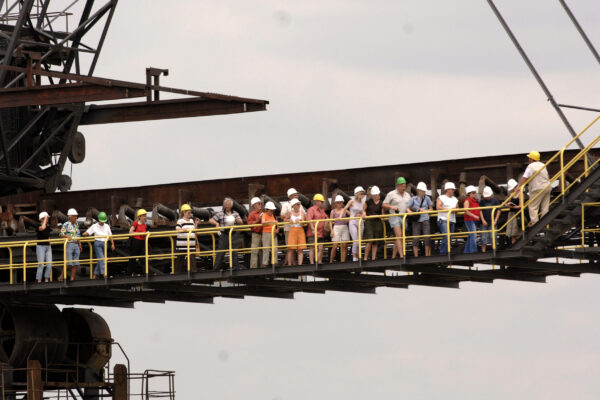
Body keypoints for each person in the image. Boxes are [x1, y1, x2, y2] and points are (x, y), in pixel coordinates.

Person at [518, 151, 551, 226]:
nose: (528, 159)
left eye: (529, 158)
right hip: (547, 187)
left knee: (533, 207)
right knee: (545, 207)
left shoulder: (531, 166)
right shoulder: (543, 165)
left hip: (537, 188)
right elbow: (548, 176)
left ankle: (535, 224)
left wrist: (519, 186)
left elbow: (525, 177)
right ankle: (545, 222)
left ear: (532, 159)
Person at [210, 198, 243, 270]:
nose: (227, 206)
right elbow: (211, 220)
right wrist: (216, 223)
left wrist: (235, 219)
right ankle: (216, 269)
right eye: (226, 204)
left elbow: (241, 222)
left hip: (233, 234)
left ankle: (235, 268)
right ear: (224, 205)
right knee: (221, 251)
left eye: (229, 204)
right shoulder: (220, 213)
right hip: (224, 234)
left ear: (231, 205)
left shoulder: (235, 213)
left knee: (234, 251)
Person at [383, 177, 411, 259]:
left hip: (403, 216)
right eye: (402, 185)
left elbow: (408, 206)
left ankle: (393, 256)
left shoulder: (407, 195)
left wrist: (409, 210)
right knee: (399, 235)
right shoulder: (391, 194)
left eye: (405, 185)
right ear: (398, 186)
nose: (404, 187)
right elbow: (384, 204)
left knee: (399, 237)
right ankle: (402, 255)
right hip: (394, 216)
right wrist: (391, 206)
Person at [83, 211, 115, 279]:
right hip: (98, 244)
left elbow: (110, 236)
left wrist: (112, 244)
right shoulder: (94, 226)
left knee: (101, 259)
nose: (102, 222)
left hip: (105, 243)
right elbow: (88, 232)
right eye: (101, 221)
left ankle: (95, 274)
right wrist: (84, 234)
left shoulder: (107, 226)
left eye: (103, 221)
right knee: (102, 259)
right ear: (98, 220)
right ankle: (104, 274)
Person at [407, 182, 433, 257]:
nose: (424, 192)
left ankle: (427, 255)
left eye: (424, 191)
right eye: (423, 191)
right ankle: (416, 255)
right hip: (416, 220)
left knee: (427, 237)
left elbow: (431, 209)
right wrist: (410, 212)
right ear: (418, 190)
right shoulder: (413, 199)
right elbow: (407, 208)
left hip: (425, 218)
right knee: (415, 238)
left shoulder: (427, 198)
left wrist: (424, 211)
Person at [280, 188, 303, 266]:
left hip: (298, 229)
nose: (297, 196)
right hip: (288, 229)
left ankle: (291, 263)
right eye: (295, 195)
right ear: (290, 196)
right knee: (290, 248)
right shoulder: (286, 205)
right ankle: (292, 263)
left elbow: (303, 214)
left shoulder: (299, 204)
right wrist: (290, 217)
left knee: (295, 248)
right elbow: (282, 216)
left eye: (297, 195)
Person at [175, 204, 200, 273]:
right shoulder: (180, 221)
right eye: (188, 212)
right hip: (182, 246)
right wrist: (184, 229)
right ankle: (176, 274)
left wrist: (196, 224)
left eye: (190, 212)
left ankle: (193, 273)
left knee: (192, 260)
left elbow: (194, 231)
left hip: (191, 245)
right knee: (179, 260)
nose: (190, 214)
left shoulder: (191, 221)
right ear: (184, 212)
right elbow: (177, 229)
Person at [344, 187, 366, 261]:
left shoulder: (363, 203)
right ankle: (355, 258)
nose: (362, 195)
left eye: (363, 193)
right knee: (356, 240)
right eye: (361, 193)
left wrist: (363, 215)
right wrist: (351, 215)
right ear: (357, 194)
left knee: (360, 241)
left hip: (360, 222)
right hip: (353, 222)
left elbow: (363, 212)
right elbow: (345, 209)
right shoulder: (351, 201)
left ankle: (359, 257)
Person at [59, 208, 81, 281]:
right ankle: (62, 276)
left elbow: (78, 234)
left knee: (76, 263)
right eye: (74, 216)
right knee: (69, 262)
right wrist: (67, 236)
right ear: (70, 217)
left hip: (76, 244)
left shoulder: (76, 224)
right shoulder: (66, 224)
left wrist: (79, 244)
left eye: (76, 216)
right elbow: (61, 234)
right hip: (69, 244)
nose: (76, 217)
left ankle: (72, 279)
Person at [436, 182, 458, 255]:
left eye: (453, 190)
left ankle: (447, 251)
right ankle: (443, 252)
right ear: (447, 189)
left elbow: (457, 209)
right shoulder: (441, 198)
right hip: (443, 219)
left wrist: (455, 210)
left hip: (452, 220)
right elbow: (438, 207)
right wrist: (449, 209)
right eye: (452, 189)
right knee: (446, 235)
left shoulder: (455, 199)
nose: (453, 191)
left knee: (450, 237)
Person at [363, 186, 383, 261]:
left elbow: (382, 214)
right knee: (369, 240)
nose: (375, 196)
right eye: (374, 195)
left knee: (376, 241)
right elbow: (364, 210)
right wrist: (364, 213)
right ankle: (365, 258)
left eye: (376, 195)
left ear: (378, 195)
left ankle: (373, 258)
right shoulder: (368, 202)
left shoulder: (381, 203)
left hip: (377, 222)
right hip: (369, 222)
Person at [307, 194, 328, 264]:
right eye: (321, 202)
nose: (322, 203)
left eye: (322, 202)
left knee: (321, 248)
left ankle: (319, 261)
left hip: (320, 233)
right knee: (312, 248)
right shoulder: (311, 210)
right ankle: (312, 263)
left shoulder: (322, 210)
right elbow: (309, 219)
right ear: (317, 201)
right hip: (312, 233)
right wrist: (313, 229)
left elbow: (326, 218)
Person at [479, 186, 500, 252]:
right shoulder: (482, 201)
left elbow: (499, 210)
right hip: (484, 222)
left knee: (493, 237)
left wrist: (495, 220)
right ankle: (483, 252)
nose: (487, 197)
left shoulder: (495, 201)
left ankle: (494, 251)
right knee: (483, 237)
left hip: (492, 221)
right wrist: (483, 220)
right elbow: (480, 211)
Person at [128, 209, 148, 275]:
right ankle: (130, 273)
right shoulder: (135, 223)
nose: (145, 217)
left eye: (145, 216)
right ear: (139, 217)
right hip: (135, 242)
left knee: (142, 258)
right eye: (143, 216)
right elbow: (130, 232)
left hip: (142, 242)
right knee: (133, 258)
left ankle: (143, 272)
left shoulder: (145, 225)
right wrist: (141, 233)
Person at [286, 198, 307, 265]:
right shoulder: (290, 213)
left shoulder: (302, 212)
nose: (298, 205)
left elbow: (304, 222)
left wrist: (301, 221)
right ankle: (289, 264)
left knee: (301, 249)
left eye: (299, 204)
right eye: (297, 204)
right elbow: (284, 219)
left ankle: (300, 264)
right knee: (291, 249)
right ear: (293, 205)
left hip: (300, 230)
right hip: (292, 230)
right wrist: (289, 220)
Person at [329, 195, 349, 263]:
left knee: (344, 246)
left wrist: (348, 219)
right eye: (338, 202)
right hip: (336, 227)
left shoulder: (345, 210)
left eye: (341, 202)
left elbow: (352, 216)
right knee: (335, 246)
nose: (339, 204)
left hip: (344, 227)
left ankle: (343, 262)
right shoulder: (333, 211)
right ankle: (331, 261)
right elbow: (330, 222)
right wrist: (331, 231)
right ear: (335, 203)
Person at [261, 201, 280, 267]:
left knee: (275, 248)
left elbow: (278, 224)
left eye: (272, 210)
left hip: (273, 233)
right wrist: (271, 221)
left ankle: (274, 262)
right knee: (266, 249)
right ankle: (265, 263)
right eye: (271, 210)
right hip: (266, 233)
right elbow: (263, 222)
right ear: (267, 210)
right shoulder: (264, 215)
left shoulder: (274, 216)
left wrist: (277, 229)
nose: (272, 211)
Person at [463, 185, 480, 254]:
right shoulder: (467, 201)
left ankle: (466, 251)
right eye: (473, 193)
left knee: (471, 236)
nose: (474, 194)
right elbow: (466, 211)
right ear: (469, 193)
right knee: (473, 235)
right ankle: (473, 251)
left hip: (474, 220)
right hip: (469, 220)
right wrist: (475, 216)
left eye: (474, 192)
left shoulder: (475, 201)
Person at [36, 211, 52, 283]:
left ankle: (46, 278)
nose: (47, 219)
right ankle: (39, 279)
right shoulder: (38, 225)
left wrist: (50, 245)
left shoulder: (48, 227)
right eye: (46, 218)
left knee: (49, 264)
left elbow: (48, 236)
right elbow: (42, 228)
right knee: (41, 264)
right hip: (40, 246)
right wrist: (45, 219)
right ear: (42, 218)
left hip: (47, 246)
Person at [247, 197, 263, 268]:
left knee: (263, 251)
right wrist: (258, 220)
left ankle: (263, 266)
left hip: (263, 234)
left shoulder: (263, 213)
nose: (260, 205)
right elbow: (249, 224)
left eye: (260, 203)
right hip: (256, 234)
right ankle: (253, 267)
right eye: (259, 203)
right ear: (254, 205)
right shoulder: (252, 214)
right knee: (254, 251)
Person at [506, 179, 523, 243]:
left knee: (517, 232)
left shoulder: (520, 194)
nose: (512, 190)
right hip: (511, 214)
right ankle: (513, 246)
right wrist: (508, 205)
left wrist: (513, 206)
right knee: (512, 234)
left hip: (517, 214)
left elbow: (521, 206)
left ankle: (518, 246)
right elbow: (508, 202)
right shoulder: (511, 194)